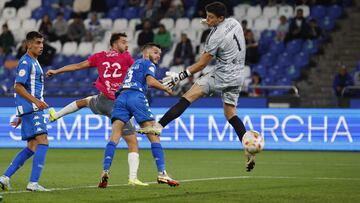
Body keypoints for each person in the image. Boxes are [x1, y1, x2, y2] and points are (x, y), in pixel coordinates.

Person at [137, 2, 257, 172]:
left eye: (211, 17)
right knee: (231, 113)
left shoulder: (215, 37)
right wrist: (209, 21)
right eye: (206, 16)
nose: (207, 19)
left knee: (188, 96)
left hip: (222, 74)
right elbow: (222, 29)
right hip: (238, 76)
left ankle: (159, 126)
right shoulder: (234, 22)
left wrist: (179, 76)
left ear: (220, 18)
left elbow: (201, 65)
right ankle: (248, 148)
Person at [46, 33, 148, 186]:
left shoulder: (99, 56)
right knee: (132, 142)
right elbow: (140, 72)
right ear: (114, 44)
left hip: (102, 100)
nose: (127, 45)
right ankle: (131, 177)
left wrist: (57, 71)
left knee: (85, 101)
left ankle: (56, 115)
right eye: (123, 42)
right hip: (118, 104)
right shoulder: (126, 57)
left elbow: (77, 66)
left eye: (127, 42)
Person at [99, 42, 179, 187]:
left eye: (159, 54)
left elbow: (144, 80)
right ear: (146, 52)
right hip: (136, 97)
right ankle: (162, 173)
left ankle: (105, 170)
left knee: (114, 136)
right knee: (154, 136)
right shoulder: (148, 63)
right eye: (155, 52)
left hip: (121, 98)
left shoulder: (135, 64)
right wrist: (165, 89)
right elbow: (150, 81)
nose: (158, 56)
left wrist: (158, 82)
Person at [0, 31, 50, 191]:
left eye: (42, 43)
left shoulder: (34, 61)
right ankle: (33, 183)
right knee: (43, 141)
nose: (41, 46)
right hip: (34, 108)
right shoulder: (26, 62)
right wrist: (36, 102)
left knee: (32, 146)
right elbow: (18, 87)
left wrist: (21, 114)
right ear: (28, 44)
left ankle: (5, 177)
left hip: (30, 109)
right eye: (37, 43)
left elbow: (24, 89)